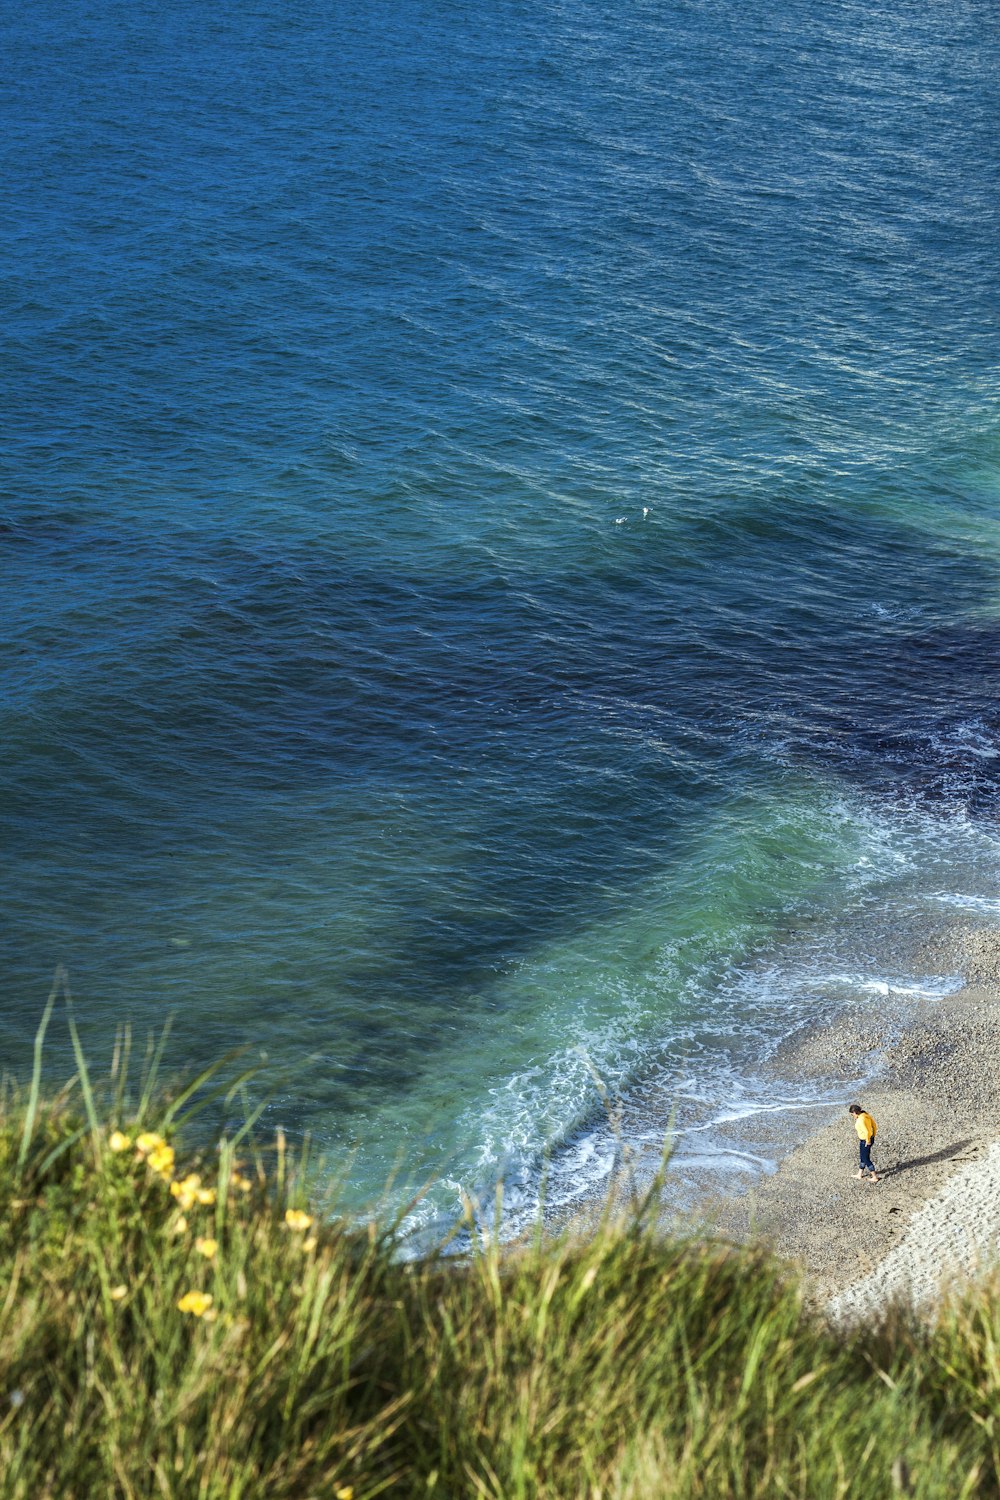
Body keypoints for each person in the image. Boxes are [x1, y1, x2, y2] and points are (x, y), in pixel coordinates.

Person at [848, 1103, 879, 1182]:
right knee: (862, 1156)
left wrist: (868, 1141)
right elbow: (874, 1126)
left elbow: (866, 1131)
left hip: (865, 1141)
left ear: (855, 1112)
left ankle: (874, 1177)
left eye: (852, 1115)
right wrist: (873, 1136)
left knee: (866, 1158)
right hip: (869, 1138)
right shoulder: (865, 1115)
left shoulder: (860, 1120)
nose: (853, 1116)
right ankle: (859, 1174)